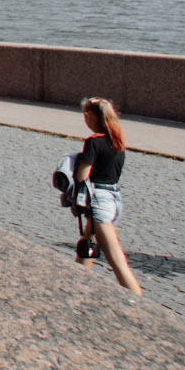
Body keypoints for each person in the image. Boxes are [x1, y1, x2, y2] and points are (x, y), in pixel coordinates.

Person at [73, 97, 141, 295]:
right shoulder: (117, 140)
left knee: (117, 261)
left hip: (98, 201)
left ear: (88, 117)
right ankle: (75, 284)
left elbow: (82, 175)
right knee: (87, 244)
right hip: (113, 198)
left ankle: (139, 303)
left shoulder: (94, 143)